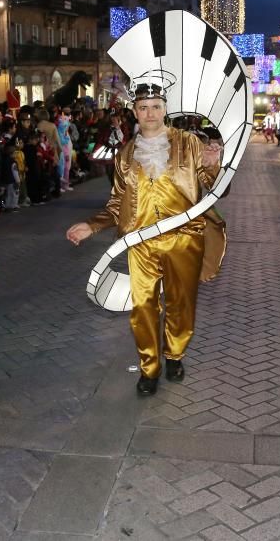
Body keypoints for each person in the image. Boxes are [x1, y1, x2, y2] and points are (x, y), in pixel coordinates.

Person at [66, 81, 224, 396]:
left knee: (181, 304)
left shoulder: (190, 143)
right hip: (141, 242)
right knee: (143, 307)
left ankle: (174, 354)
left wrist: (214, 162)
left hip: (184, 238)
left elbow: (214, 185)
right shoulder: (125, 155)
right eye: (143, 107)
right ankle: (149, 368)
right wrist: (91, 226)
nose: (149, 113)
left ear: (165, 109)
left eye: (155, 107)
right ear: (134, 112)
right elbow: (116, 204)